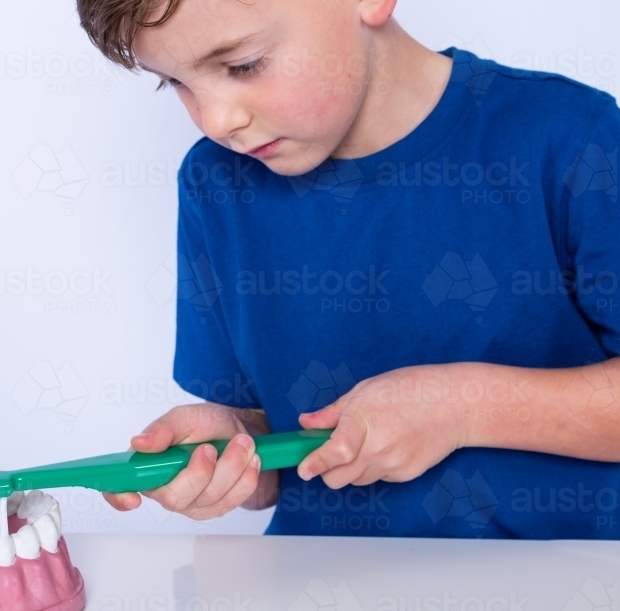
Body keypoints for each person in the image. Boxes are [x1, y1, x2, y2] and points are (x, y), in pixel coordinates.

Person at [76, 0, 620, 538]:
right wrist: (231, 453)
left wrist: (463, 407)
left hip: (567, 599)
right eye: (174, 82)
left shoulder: (571, 140)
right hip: (324, 603)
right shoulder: (215, 184)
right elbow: (270, 457)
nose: (218, 120)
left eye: (243, 65)